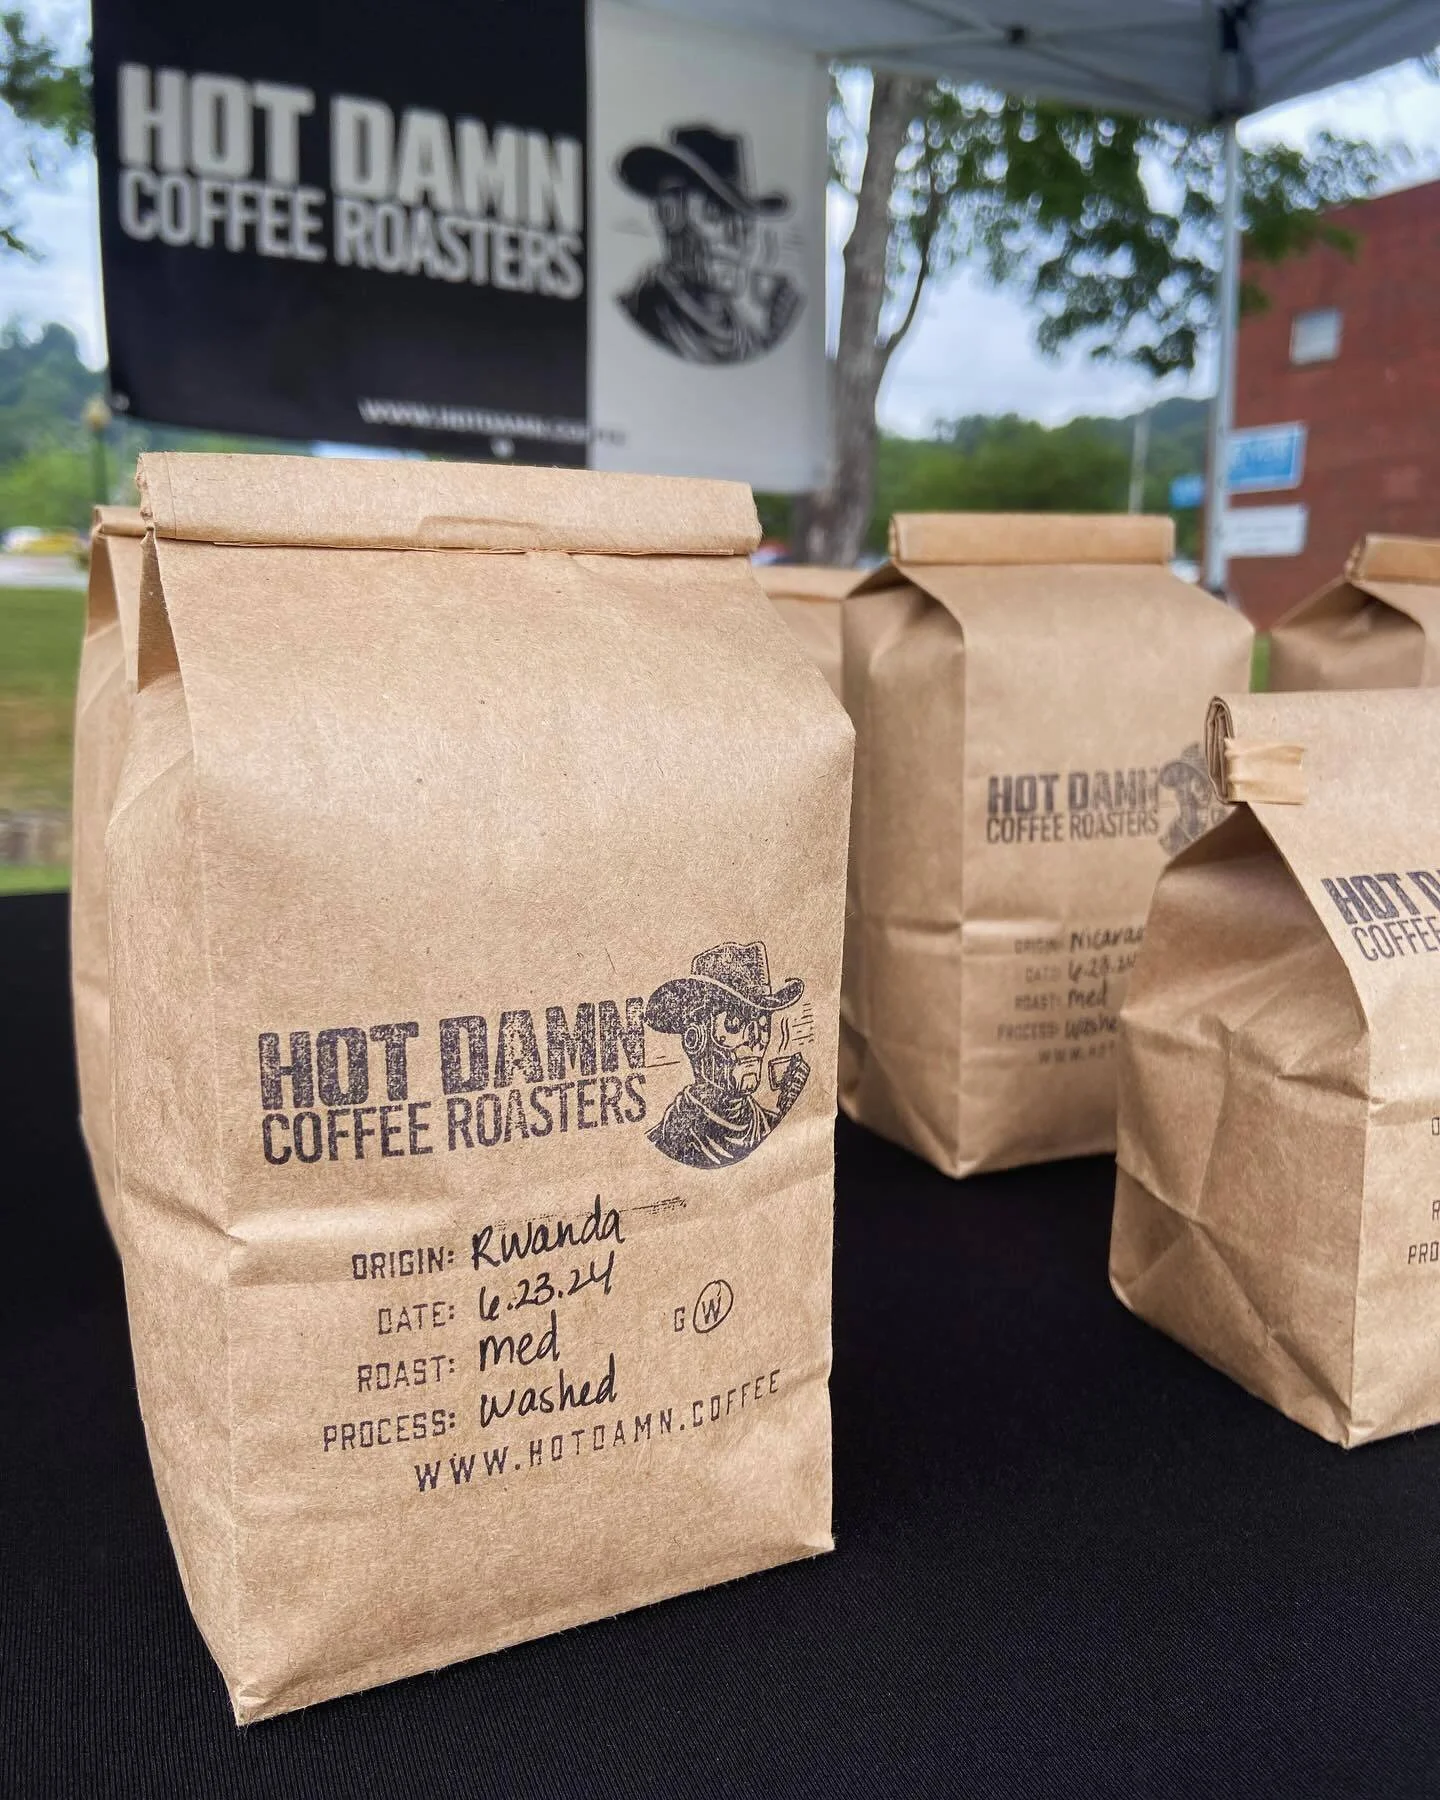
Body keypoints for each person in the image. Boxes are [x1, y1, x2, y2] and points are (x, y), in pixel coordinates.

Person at [614, 124, 803, 366]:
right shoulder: (643, 315)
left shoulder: (748, 340)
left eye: (744, 221)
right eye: (715, 213)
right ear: (670, 214)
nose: (737, 237)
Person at [645, 941, 809, 1170]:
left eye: (762, 1024)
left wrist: (787, 1111)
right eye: (734, 1023)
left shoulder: (769, 1124)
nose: (755, 1038)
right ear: (695, 1038)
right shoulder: (668, 1139)